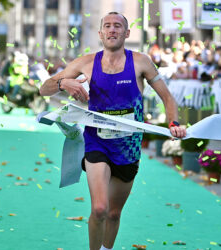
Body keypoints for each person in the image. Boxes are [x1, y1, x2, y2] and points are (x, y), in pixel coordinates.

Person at [39, 12, 186, 250]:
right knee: (99, 209)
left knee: (114, 214)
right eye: (107, 26)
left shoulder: (141, 62)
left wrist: (173, 124)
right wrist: (62, 83)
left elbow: (167, 97)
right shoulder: (85, 62)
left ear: (127, 33)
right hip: (97, 142)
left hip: (128, 147)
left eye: (118, 26)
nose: (112, 30)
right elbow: (43, 90)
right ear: (100, 34)